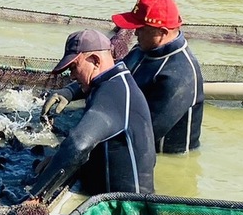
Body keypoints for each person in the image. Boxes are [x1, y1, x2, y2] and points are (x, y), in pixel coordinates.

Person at [43, 0, 204, 153]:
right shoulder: (141, 50)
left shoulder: (180, 76)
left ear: (162, 32)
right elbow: (110, 78)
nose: (134, 33)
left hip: (162, 157)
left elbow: (144, 136)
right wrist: (70, 91)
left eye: (140, 29)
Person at [29, 29, 155, 201]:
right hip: (106, 195)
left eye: (74, 67)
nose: (72, 76)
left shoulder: (112, 94)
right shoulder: (115, 82)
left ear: (95, 61)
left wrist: (35, 195)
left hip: (125, 209)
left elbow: (77, 145)